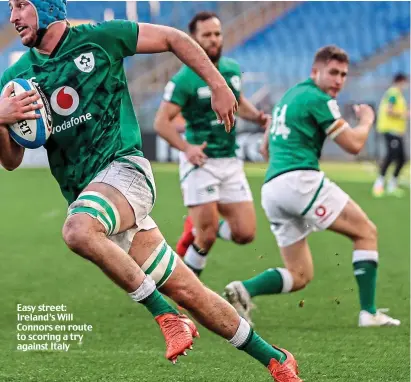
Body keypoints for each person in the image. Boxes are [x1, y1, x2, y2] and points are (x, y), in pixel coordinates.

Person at [1, 1, 300, 380]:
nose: (13, 16)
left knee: (76, 230)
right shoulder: (16, 78)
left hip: (125, 171)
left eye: (22, 5)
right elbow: (10, 160)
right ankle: (276, 359)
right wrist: (1, 118)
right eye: (9, 7)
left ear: (47, 7)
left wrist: (218, 84)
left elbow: (174, 38)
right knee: (191, 292)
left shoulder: (101, 38)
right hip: (95, 200)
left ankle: (166, 316)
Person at [225, 45, 400, 328]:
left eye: (343, 74)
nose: (339, 80)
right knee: (366, 233)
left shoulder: (288, 97)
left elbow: (263, 148)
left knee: (300, 274)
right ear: (314, 72)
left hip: (273, 188)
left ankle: (244, 290)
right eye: (332, 72)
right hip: (300, 180)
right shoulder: (318, 98)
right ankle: (369, 312)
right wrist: (367, 120)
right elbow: (354, 145)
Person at [154, 11, 271, 276]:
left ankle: (199, 223)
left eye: (217, 34)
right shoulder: (184, 79)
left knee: (245, 233)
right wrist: (187, 148)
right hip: (201, 161)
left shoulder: (230, 69)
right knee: (205, 237)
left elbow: (237, 103)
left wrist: (258, 117)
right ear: (194, 40)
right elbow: (161, 122)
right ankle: (186, 294)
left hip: (229, 160)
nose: (214, 39)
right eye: (206, 35)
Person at [372, 73, 409, 197]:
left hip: (397, 131)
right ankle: (379, 184)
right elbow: (389, 109)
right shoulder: (393, 93)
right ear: (400, 81)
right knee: (391, 156)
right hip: (390, 130)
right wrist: (404, 114)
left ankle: (392, 184)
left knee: (402, 158)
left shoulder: (397, 95)